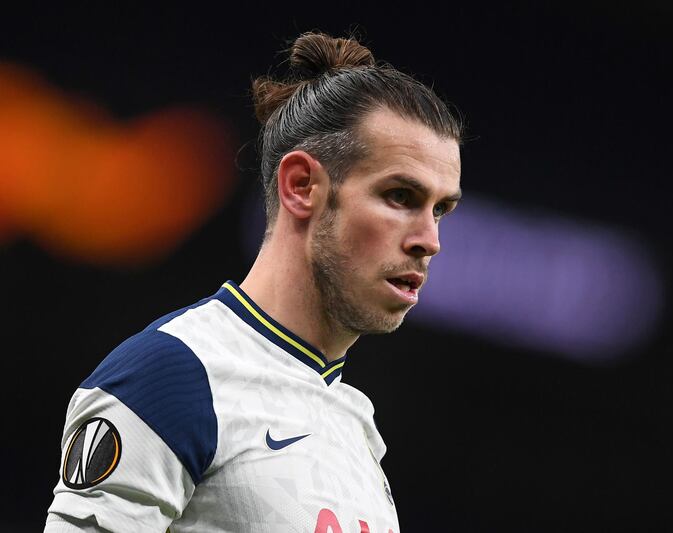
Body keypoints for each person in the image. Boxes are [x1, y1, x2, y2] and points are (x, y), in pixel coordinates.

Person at [45, 31, 462, 532]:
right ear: (302, 186)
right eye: (399, 196)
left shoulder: (355, 423)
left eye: (440, 209)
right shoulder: (170, 378)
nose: (429, 239)